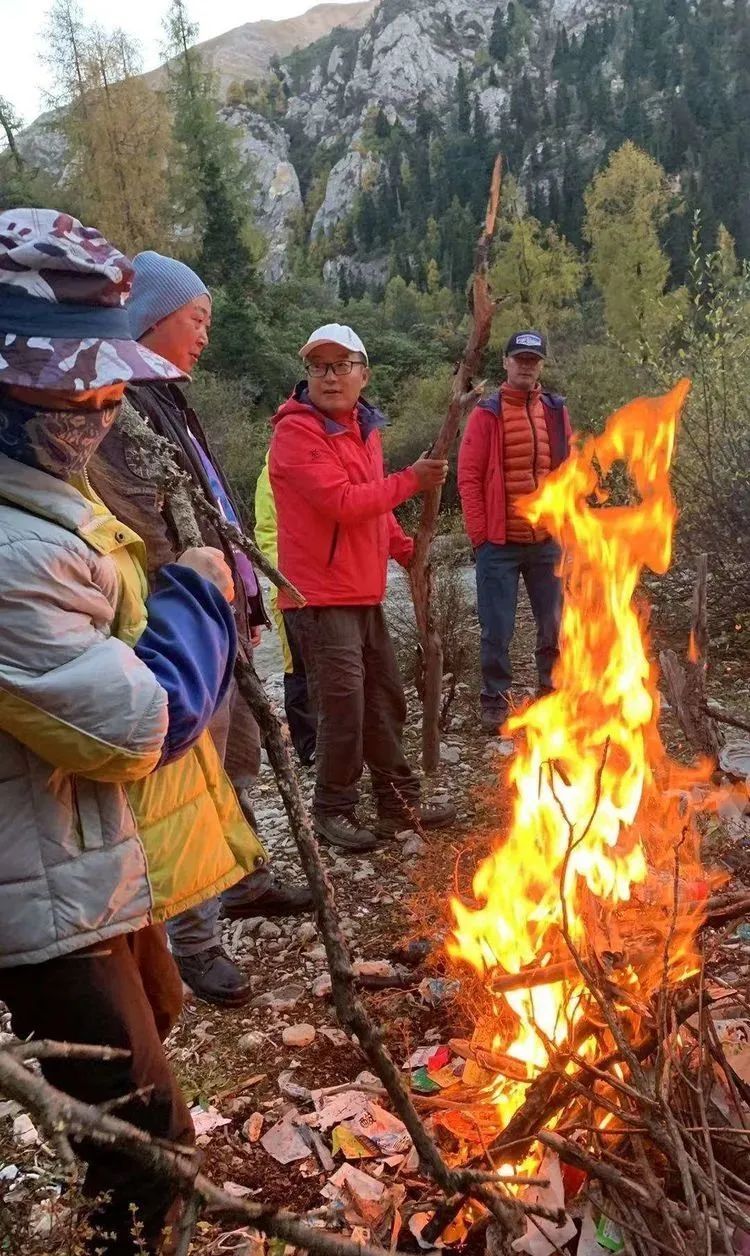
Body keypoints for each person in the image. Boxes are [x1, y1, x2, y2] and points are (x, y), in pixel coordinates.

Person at [0, 209, 263, 1253]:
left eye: (107, 381)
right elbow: (138, 723)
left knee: (150, 1070)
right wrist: (202, 598)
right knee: (143, 1146)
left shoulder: (41, 500)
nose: (100, 408)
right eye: (72, 384)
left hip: (73, 859)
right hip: (36, 895)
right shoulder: (14, 550)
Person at [90, 251, 312, 1009]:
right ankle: (196, 940)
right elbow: (153, 534)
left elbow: (213, 510)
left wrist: (245, 608)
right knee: (193, 781)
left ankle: (242, 880)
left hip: (223, 622)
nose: (206, 336)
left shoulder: (169, 400)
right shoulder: (121, 409)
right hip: (182, 632)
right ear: (154, 316)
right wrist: (203, 611)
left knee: (241, 758)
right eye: (197, 320)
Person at [269, 323, 456, 852]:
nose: (329, 377)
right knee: (344, 704)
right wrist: (411, 481)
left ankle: (398, 803)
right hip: (318, 596)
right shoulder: (295, 433)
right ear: (308, 374)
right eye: (318, 366)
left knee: (383, 699)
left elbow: (376, 509)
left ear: (362, 374)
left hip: (363, 591)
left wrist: (404, 549)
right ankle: (333, 808)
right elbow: (344, 503)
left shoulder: (363, 428)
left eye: (341, 365)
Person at [457, 330, 573, 734]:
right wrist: (480, 537)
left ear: (541, 365)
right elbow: (468, 478)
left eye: (533, 359)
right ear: (506, 362)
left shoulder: (556, 411)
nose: (526, 365)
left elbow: (566, 471)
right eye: (519, 358)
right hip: (499, 543)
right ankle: (495, 700)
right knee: (496, 627)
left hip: (546, 540)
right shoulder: (486, 414)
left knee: (553, 622)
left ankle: (551, 691)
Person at [255, 453, 317, 767]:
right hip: (290, 589)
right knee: (299, 667)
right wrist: (288, 581)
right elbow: (267, 532)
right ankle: (309, 746)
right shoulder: (274, 471)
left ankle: (333, 740)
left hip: (320, 585)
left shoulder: (314, 465)